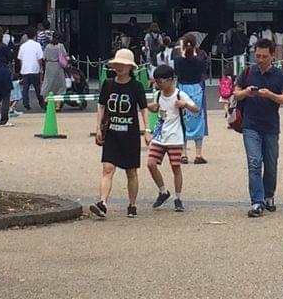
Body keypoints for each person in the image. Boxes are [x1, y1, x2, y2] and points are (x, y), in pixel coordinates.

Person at [88, 48, 150, 219]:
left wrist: (147, 129)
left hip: (130, 134)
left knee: (131, 170)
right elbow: (101, 106)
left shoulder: (136, 86)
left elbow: (144, 108)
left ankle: (132, 204)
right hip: (112, 133)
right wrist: (99, 127)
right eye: (117, 64)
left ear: (130, 67)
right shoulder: (108, 84)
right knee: (107, 168)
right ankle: (102, 202)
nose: (120, 67)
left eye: (123, 65)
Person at [233, 38, 283, 218]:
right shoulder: (248, 72)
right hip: (250, 124)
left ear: (272, 56)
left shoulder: (280, 75)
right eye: (257, 55)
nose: (260, 59)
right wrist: (246, 92)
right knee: (254, 162)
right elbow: (235, 93)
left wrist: (270, 95)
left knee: (271, 164)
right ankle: (256, 201)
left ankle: (268, 196)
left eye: (264, 56)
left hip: (271, 126)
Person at [146, 64, 200, 213]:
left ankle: (178, 198)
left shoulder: (179, 95)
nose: (158, 84)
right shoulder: (158, 94)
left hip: (175, 136)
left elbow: (196, 109)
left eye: (160, 81)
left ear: (170, 80)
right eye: (156, 81)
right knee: (151, 163)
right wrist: (151, 107)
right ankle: (163, 191)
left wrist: (185, 105)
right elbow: (159, 109)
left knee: (175, 167)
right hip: (160, 135)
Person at [175, 35, 209, 164]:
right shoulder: (200, 60)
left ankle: (183, 154)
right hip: (197, 89)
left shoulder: (178, 60)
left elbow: (176, 73)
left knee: (182, 119)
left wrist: (183, 54)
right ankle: (198, 154)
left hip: (183, 88)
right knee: (198, 118)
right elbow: (204, 71)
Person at [17, 29, 46, 112]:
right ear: (34, 36)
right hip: (34, 69)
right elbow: (40, 58)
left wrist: (21, 68)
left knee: (25, 88)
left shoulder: (23, 46)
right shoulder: (37, 45)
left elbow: (20, 59)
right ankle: (42, 103)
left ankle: (26, 104)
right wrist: (40, 67)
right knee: (38, 88)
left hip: (25, 69)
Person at [41, 31, 67, 99]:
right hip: (58, 65)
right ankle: (58, 105)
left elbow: (44, 57)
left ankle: (46, 100)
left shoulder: (48, 46)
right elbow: (65, 55)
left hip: (49, 65)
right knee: (60, 85)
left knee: (48, 83)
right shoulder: (60, 46)